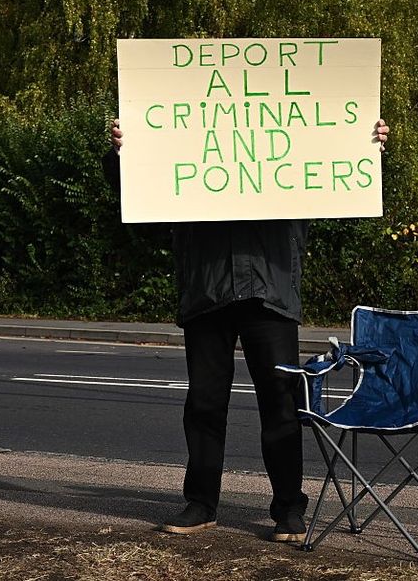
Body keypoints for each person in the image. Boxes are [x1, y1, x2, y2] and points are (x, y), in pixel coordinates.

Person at [107, 117, 390, 542]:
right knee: (204, 402)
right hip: (207, 285)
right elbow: (134, 183)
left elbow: (341, 174)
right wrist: (121, 152)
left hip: (269, 287)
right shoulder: (187, 128)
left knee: (281, 402)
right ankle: (201, 504)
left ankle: (289, 508)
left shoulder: (288, 130)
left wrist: (369, 147)